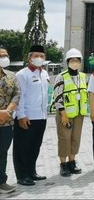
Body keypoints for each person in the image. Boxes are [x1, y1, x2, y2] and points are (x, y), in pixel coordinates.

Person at [13, 45, 49, 186]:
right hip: (26, 117)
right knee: (22, 147)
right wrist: (21, 115)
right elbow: (18, 97)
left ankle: (31, 171)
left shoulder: (44, 74)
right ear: (29, 57)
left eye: (41, 56)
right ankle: (22, 176)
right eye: (36, 56)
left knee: (35, 146)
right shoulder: (22, 74)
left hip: (41, 117)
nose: (39, 58)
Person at [52, 48, 87, 177]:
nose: (75, 62)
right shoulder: (61, 76)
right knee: (64, 139)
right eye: (72, 60)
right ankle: (63, 164)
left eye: (77, 60)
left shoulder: (82, 76)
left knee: (75, 139)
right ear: (67, 62)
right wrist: (63, 114)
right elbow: (57, 96)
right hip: (65, 115)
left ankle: (72, 161)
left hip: (79, 114)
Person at [0, 46, 20, 193]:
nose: (4, 58)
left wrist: (7, 111)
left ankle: (2, 182)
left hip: (6, 121)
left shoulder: (11, 75)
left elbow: (17, 94)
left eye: (5, 55)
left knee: (2, 152)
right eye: (1, 56)